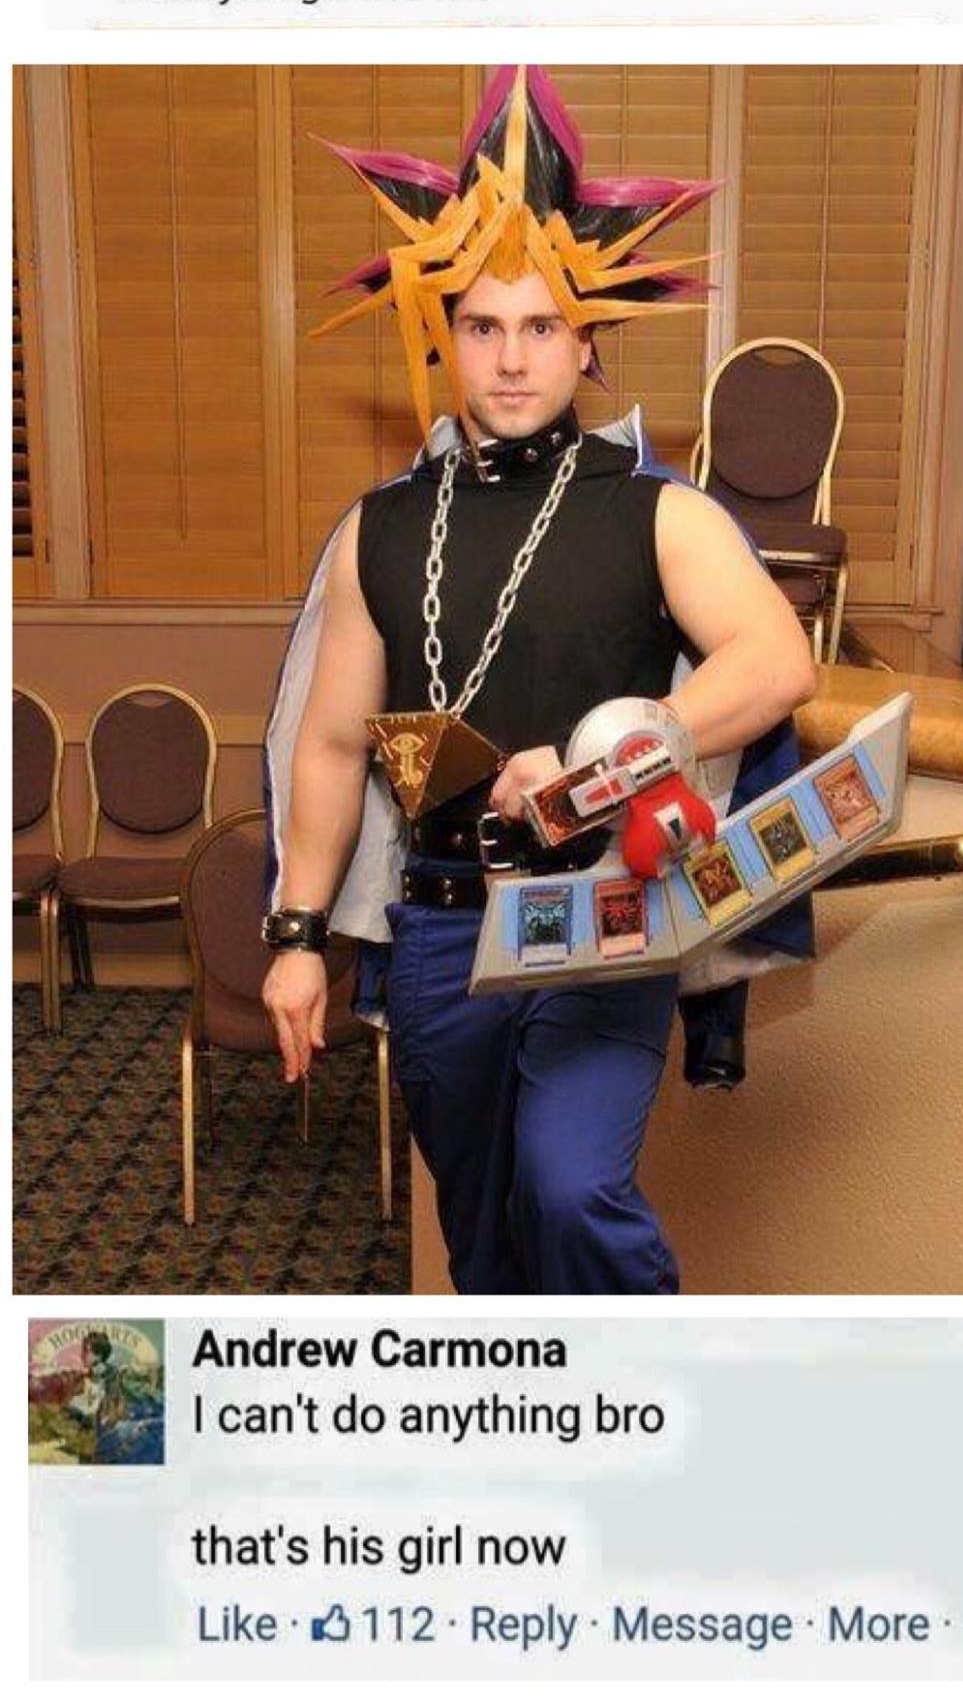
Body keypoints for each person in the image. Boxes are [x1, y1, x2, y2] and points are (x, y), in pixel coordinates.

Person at [262, 67, 815, 1294]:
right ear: (440, 333)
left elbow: (778, 660)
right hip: (441, 924)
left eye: (541, 326)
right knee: (483, 1242)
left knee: (572, 1187)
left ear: (586, 339)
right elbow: (334, 745)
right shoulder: (377, 530)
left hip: (602, 910)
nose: (511, 359)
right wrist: (297, 934)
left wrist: (603, 758)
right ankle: (528, 1398)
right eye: (481, 326)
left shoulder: (655, 511)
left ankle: (658, 1395)